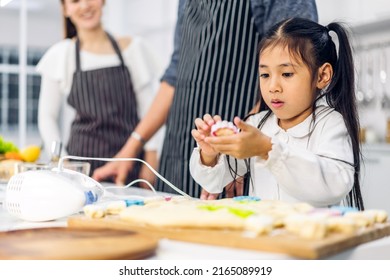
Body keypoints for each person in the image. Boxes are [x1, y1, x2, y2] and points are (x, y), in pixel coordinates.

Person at [92, 0, 318, 198]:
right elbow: (175, 74)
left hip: (236, 160)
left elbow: (294, 65)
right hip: (178, 151)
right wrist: (128, 152)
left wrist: (237, 162)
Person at [190, 17, 364, 210]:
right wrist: (210, 154)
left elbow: (335, 183)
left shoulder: (330, 124)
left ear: (322, 76)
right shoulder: (257, 124)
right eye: (265, 75)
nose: (273, 87)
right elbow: (215, 181)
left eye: (286, 74)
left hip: (310, 236)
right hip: (264, 236)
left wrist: (268, 149)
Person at [37, 0, 163, 184]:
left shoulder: (132, 49)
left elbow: (149, 110)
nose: (85, 5)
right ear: (65, 9)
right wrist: (63, 164)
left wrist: (151, 158)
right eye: (75, 1)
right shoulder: (61, 55)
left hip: (131, 165)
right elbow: (47, 117)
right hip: (81, 171)